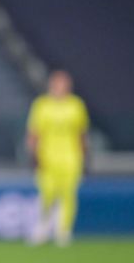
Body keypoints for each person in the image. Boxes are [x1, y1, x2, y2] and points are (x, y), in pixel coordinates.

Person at [26, 70, 89, 247]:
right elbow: (34, 133)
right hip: (47, 158)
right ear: (51, 85)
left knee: (68, 196)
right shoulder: (41, 105)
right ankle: (43, 228)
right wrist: (34, 155)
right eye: (57, 83)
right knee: (47, 194)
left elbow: (81, 134)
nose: (61, 87)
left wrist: (84, 156)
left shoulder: (76, 105)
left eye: (64, 84)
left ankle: (63, 231)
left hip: (71, 158)